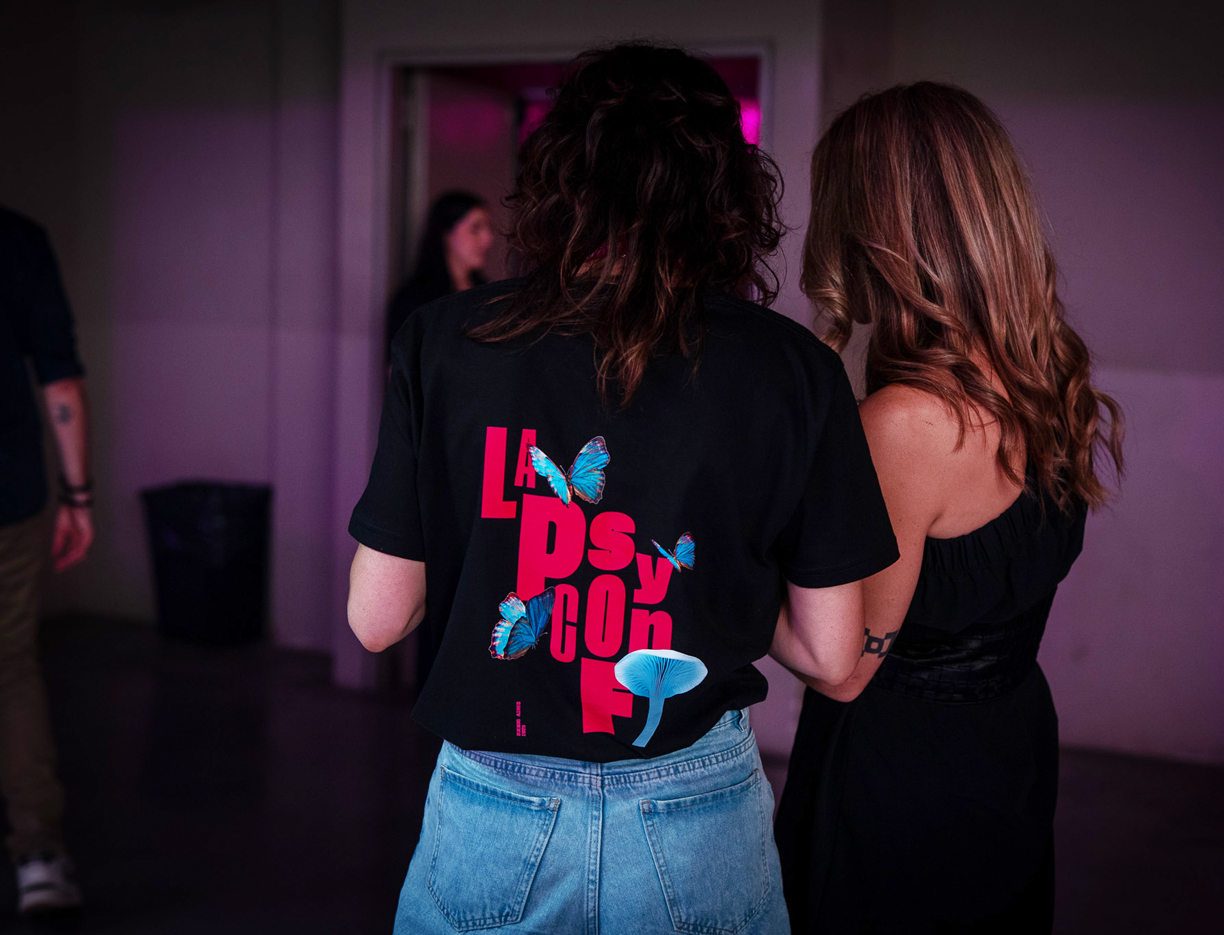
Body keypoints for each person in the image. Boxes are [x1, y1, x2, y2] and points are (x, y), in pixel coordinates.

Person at [346, 43, 898, 934]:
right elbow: (835, 659)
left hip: (494, 808)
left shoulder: (442, 340)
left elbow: (377, 618)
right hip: (698, 815)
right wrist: (704, 578)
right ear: (727, 196)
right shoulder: (795, 369)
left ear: (560, 177)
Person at [773, 83, 1125, 933]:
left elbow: (844, 666)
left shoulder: (905, 421)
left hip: (901, 778)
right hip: (1006, 748)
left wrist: (708, 571)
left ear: (874, 232)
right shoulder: (1049, 377)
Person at [0, 206, 94, 915]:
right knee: (10, 668)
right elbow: (58, 379)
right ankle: (38, 856)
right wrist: (78, 495)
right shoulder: (17, 239)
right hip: (9, 492)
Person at [384, 190, 494, 361]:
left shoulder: (487, 295)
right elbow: (398, 368)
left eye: (488, 229)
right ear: (447, 233)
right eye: (475, 229)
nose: (488, 239)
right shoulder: (414, 299)